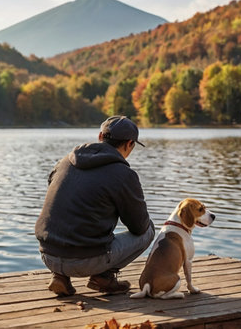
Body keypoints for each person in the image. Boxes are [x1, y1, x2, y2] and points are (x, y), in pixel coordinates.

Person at [35, 116, 155, 296]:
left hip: (48, 254)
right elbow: (139, 226)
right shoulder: (123, 174)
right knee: (149, 230)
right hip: (85, 261)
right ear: (130, 143)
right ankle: (104, 278)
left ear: (100, 136)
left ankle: (59, 276)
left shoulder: (65, 161)